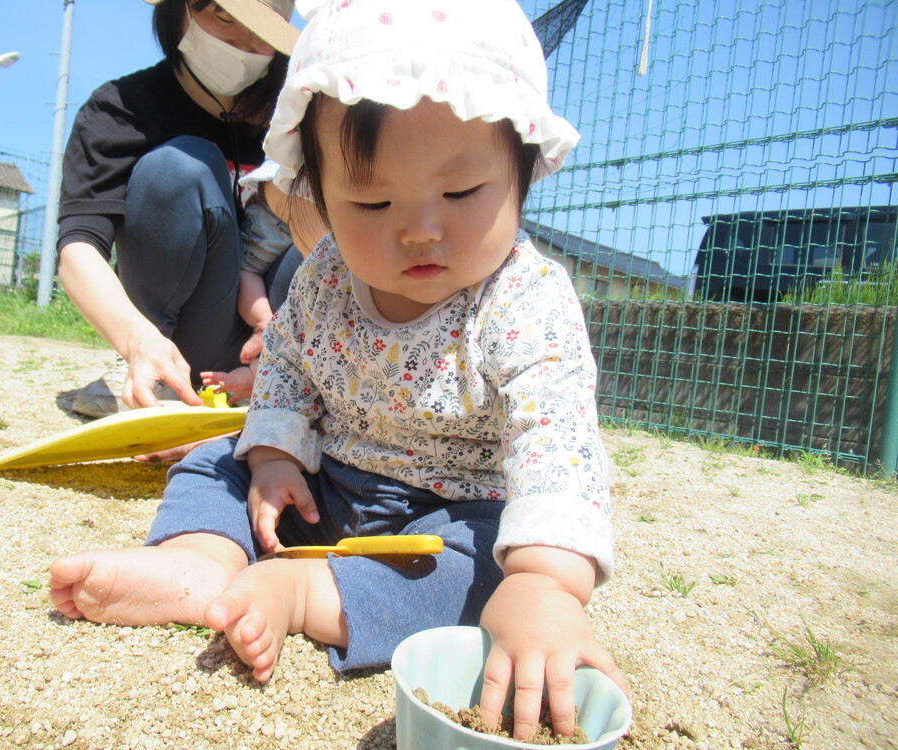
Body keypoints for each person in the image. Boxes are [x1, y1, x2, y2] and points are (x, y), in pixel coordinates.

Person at [49, 0, 626, 741]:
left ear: (523, 171)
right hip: (328, 486)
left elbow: (559, 442)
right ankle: (200, 559)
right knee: (216, 462)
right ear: (318, 195)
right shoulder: (325, 275)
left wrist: (547, 582)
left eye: (460, 192)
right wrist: (275, 453)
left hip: (446, 517)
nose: (420, 227)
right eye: (372, 199)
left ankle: (304, 592)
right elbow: (287, 361)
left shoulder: (525, 298)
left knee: (488, 574)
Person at [57, 0, 307, 417]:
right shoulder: (124, 109)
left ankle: (298, 382)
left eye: (263, 33)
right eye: (224, 17)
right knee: (179, 165)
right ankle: (154, 376)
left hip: (281, 331)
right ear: (178, 11)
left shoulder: (297, 110)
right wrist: (140, 340)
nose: (243, 43)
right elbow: (79, 246)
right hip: (187, 330)